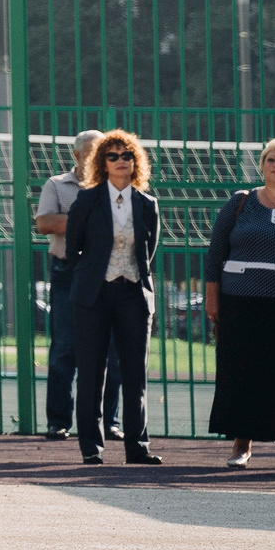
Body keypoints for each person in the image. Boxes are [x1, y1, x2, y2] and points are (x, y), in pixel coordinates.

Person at [66, 128, 160, 466]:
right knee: (91, 370)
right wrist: (92, 275)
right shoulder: (87, 200)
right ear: (102, 163)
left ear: (136, 163)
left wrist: (133, 281)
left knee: (135, 372)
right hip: (94, 294)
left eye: (127, 155)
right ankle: (92, 447)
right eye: (113, 156)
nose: (121, 161)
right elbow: (73, 248)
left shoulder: (147, 203)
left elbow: (148, 252)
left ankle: (137, 446)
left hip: (133, 293)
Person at [36, 130, 120, 441]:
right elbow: (45, 223)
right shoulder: (56, 185)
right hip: (67, 273)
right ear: (76, 156)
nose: (99, 159)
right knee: (64, 349)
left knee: (111, 352)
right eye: (91, 152)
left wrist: (71, 219)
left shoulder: (117, 186)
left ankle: (109, 422)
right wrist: (92, 219)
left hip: (109, 273)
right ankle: (58, 421)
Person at [208, 138, 275, 468]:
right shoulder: (240, 202)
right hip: (239, 303)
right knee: (241, 374)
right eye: (272, 159)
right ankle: (242, 445)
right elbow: (215, 254)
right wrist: (213, 301)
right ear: (263, 164)